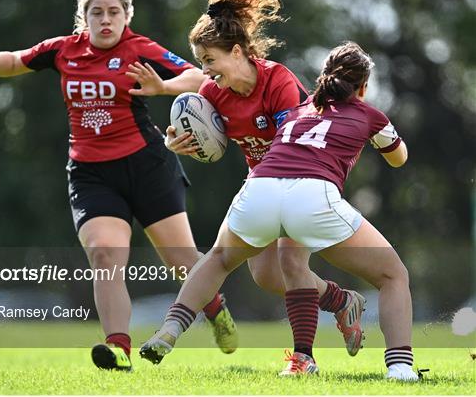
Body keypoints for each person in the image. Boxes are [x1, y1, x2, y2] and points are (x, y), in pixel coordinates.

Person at [0, 0, 238, 371]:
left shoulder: (139, 49)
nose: (105, 19)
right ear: (84, 17)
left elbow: (195, 75)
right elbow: (16, 61)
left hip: (148, 167)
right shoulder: (64, 50)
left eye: (113, 12)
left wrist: (162, 88)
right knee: (105, 256)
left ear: (125, 17)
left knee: (183, 260)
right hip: (91, 173)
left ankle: (214, 306)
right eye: (96, 12)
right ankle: (119, 348)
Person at [141, 41, 419, 381]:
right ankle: (401, 368)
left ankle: (171, 328)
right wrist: (376, 132)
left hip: (259, 188)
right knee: (393, 275)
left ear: (323, 78)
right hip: (311, 196)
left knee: (219, 259)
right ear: (362, 87)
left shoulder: (300, 110)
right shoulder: (368, 113)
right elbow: (398, 158)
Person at [161, 0, 366, 357]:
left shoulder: (278, 80)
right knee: (267, 276)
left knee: (290, 263)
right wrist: (180, 144)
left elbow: (292, 146)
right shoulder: (211, 93)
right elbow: (207, 139)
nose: (205, 71)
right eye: (201, 63)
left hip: (305, 178)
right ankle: (341, 301)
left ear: (237, 52)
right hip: (263, 186)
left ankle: (302, 359)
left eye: (209, 60)